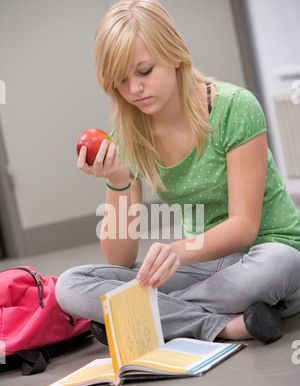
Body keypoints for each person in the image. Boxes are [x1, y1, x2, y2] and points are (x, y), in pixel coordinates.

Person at [56, 0, 300, 344]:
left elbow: (244, 228)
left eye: (143, 71)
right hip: (206, 269)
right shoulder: (131, 133)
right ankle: (225, 326)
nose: (134, 90)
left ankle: (137, 318)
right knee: (71, 285)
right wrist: (117, 179)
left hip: (266, 254)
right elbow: (120, 258)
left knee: (277, 265)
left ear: (174, 55)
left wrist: (179, 251)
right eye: (121, 81)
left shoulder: (235, 107)